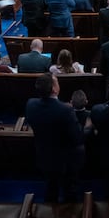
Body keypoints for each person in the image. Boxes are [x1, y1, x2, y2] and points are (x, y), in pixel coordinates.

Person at [25, 73, 85, 203]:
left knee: (51, 187)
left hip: (44, 155)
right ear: (54, 89)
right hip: (65, 160)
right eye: (56, 81)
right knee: (69, 190)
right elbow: (77, 138)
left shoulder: (31, 104)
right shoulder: (66, 110)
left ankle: (49, 213)